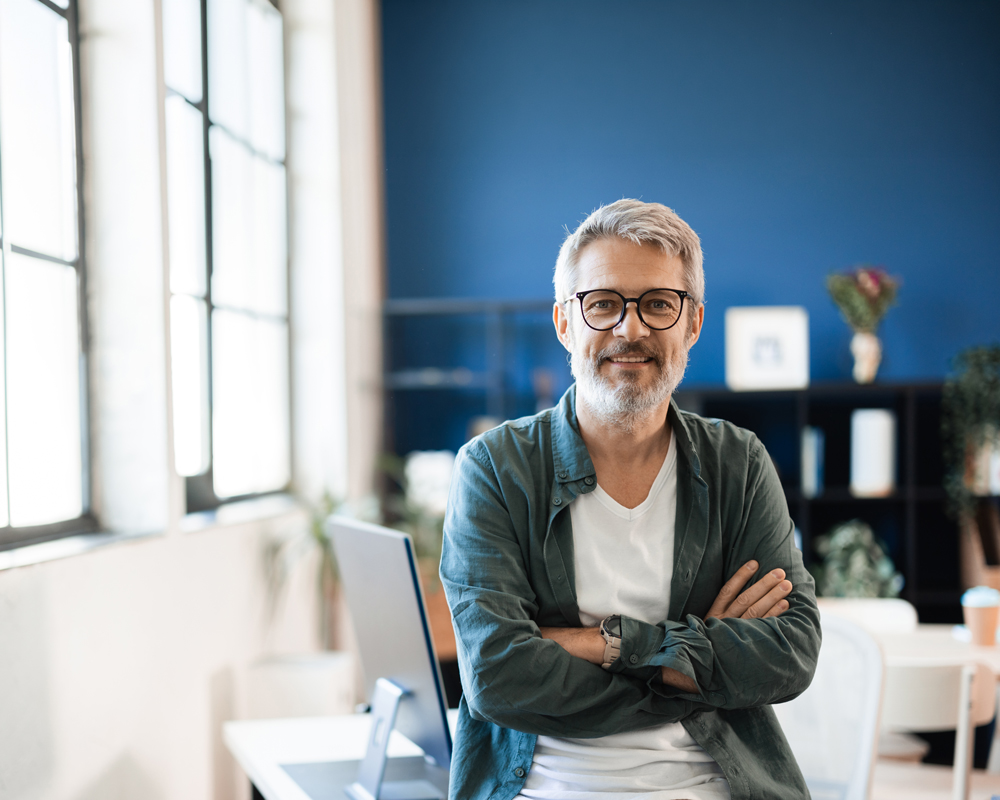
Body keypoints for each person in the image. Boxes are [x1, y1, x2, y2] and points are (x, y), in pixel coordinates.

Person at [440, 200, 821, 800]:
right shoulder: (494, 467)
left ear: (692, 324)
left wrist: (608, 643)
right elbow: (498, 675)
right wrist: (693, 655)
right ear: (565, 323)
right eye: (603, 303)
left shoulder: (738, 462)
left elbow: (791, 651)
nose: (631, 329)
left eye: (659, 304)